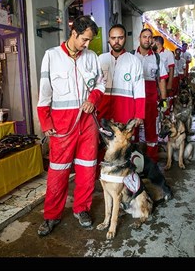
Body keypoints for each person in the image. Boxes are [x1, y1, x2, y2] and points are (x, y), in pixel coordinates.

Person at [36, 15, 105, 236]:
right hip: (62, 126)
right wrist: (45, 122)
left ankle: (82, 209)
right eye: (84, 39)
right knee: (58, 172)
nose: (86, 44)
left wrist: (92, 99)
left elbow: (101, 83)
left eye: (89, 41)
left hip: (88, 123)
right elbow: (45, 92)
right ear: (74, 33)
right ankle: (51, 215)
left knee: (87, 169)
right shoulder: (51, 56)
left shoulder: (92, 57)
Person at [97, 24, 145, 163]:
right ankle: (102, 174)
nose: (116, 41)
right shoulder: (101, 59)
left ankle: (125, 177)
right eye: (113, 38)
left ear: (125, 38)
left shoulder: (134, 61)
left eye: (120, 38)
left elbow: (139, 89)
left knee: (125, 145)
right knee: (101, 142)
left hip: (125, 109)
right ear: (108, 39)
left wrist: (139, 115)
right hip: (103, 109)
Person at [133, 28, 168, 162]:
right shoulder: (131, 56)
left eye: (149, 37)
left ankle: (152, 161)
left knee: (151, 131)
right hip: (134, 100)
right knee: (132, 131)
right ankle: (133, 161)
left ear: (152, 40)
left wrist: (164, 100)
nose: (147, 39)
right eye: (144, 37)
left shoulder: (157, 58)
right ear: (139, 39)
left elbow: (161, 80)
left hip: (151, 100)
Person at [153, 35, 174, 100]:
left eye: (152, 43)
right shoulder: (152, 53)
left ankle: (165, 108)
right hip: (155, 79)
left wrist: (170, 83)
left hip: (165, 78)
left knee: (165, 97)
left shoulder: (168, 53)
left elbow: (171, 68)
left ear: (158, 43)